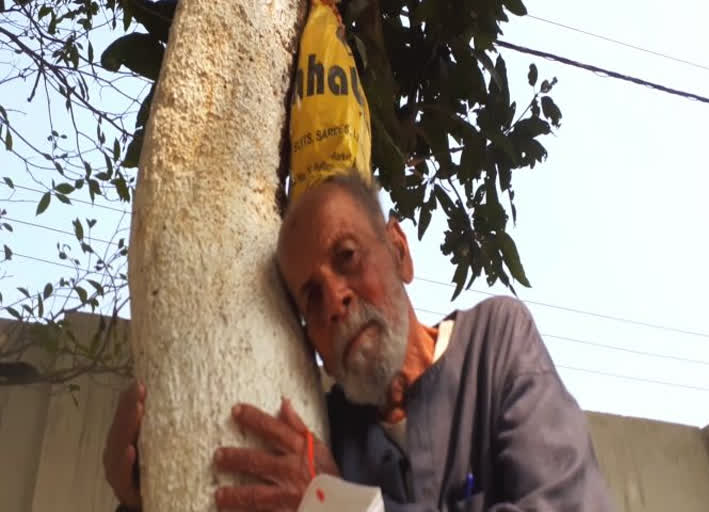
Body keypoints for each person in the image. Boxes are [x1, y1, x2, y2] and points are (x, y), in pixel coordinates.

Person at [104, 175, 614, 511]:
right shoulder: (320, 430)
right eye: (311, 297)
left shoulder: (494, 340)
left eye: (347, 257)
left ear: (398, 252)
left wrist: (333, 504)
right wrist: (137, 496)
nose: (335, 301)